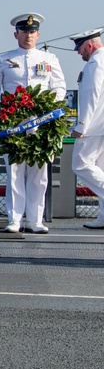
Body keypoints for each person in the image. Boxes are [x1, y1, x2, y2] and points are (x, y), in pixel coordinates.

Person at [0, 13, 67, 234]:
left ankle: (35, 220)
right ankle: (15, 219)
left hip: (42, 123)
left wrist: (49, 107)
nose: (28, 35)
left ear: (38, 34)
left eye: (32, 32)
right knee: (15, 172)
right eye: (24, 31)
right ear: (16, 34)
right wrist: (4, 105)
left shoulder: (50, 60)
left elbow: (59, 88)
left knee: (39, 174)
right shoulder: (4, 60)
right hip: (14, 123)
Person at [70, 28, 104, 229]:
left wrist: (81, 125)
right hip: (101, 125)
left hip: (95, 125)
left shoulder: (95, 63)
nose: (78, 52)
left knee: (80, 164)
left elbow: (91, 95)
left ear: (90, 45)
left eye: (80, 47)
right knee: (100, 168)